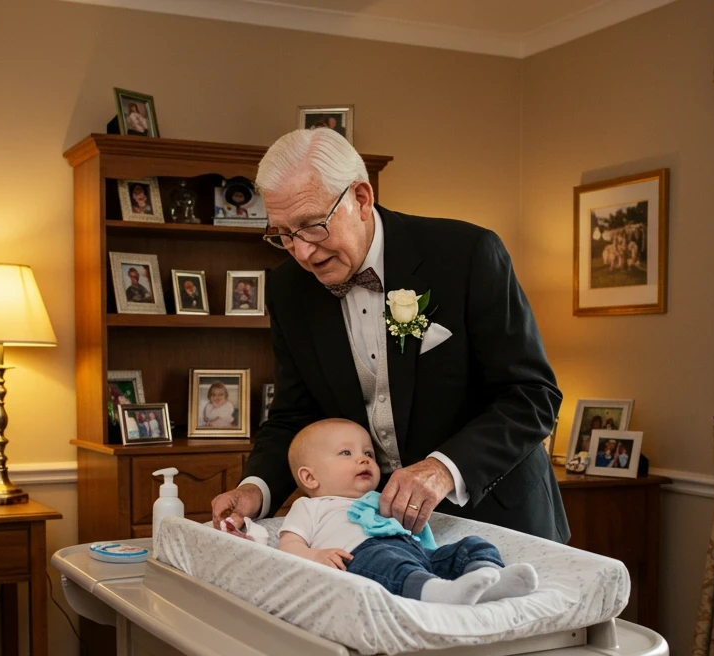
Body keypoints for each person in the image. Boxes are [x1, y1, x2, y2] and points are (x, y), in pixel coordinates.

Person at [211, 128, 567, 541]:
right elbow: (296, 413)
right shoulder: (290, 288)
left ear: (361, 198)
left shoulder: (467, 254)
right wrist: (255, 488)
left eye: (312, 226)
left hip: (500, 516)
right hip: (380, 528)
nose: (303, 252)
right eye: (284, 234)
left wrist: (442, 469)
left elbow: (532, 396)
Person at [275, 420, 537, 605]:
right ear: (310, 477)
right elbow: (288, 545)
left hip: (416, 554)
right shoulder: (309, 507)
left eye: (368, 453)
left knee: (471, 545)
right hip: (360, 556)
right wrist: (314, 555)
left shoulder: (386, 498)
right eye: (346, 452)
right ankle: (439, 593)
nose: (364, 459)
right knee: (386, 562)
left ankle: (490, 579)